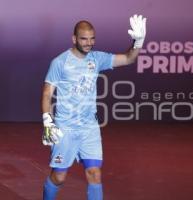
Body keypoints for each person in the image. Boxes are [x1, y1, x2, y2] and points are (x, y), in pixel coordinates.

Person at [41, 14, 146, 200]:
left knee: (94, 174)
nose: (89, 43)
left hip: (90, 127)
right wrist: (48, 122)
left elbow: (129, 59)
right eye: (84, 39)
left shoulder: (97, 58)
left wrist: (138, 41)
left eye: (92, 38)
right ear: (74, 39)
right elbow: (47, 93)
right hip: (65, 127)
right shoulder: (60, 62)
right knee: (59, 177)